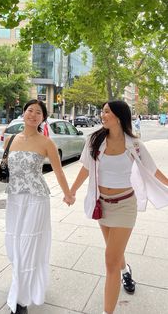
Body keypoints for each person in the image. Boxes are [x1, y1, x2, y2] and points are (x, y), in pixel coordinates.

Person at [68, 100, 168, 314]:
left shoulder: (135, 144)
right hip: (101, 205)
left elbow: (153, 170)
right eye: (102, 111)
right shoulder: (94, 140)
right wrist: (72, 190)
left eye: (107, 112)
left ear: (120, 116)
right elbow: (86, 169)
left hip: (125, 206)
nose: (103, 115)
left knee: (110, 261)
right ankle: (126, 270)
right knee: (114, 252)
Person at [0, 99, 75, 314]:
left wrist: (68, 194)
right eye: (30, 110)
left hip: (36, 199)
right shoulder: (10, 140)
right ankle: (21, 286)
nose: (33, 115)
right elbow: (4, 166)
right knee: (13, 246)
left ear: (43, 118)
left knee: (28, 246)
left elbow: (59, 171)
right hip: (15, 199)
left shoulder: (46, 143)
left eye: (38, 112)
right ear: (23, 113)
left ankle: (21, 300)